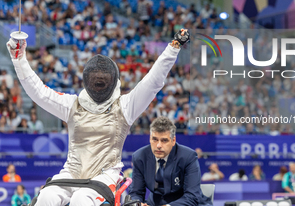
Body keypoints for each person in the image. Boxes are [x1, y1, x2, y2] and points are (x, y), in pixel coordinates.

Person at [6, 29, 189, 206]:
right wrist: (19, 57)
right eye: (95, 78)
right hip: (73, 171)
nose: (99, 82)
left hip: (106, 174)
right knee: (46, 197)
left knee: (81, 199)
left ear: (112, 80)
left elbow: (153, 82)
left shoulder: (124, 106)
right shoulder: (73, 105)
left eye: (103, 78)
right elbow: (39, 93)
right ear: (87, 79)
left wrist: (173, 47)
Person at [129, 116, 212, 206]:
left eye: (164, 140)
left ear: (173, 141)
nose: (158, 145)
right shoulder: (139, 157)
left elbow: (192, 196)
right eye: (155, 139)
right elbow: (135, 193)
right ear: (150, 138)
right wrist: (138, 204)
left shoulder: (188, 157)